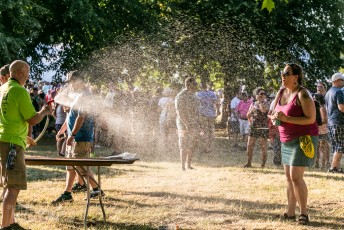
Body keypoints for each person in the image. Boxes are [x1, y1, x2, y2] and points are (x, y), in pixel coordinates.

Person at [0, 60, 52, 229]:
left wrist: (25, 136)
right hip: (13, 144)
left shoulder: (2, 89)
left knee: (8, 183)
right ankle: (5, 226)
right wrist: (44, 112)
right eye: (27, 74)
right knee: (14, 186)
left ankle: (11, 222)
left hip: (4, 140)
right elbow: (32, 118)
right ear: (20, 73)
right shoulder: (19, 91)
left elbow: (10, 117)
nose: (28, 77)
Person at [269, 63, 318, 225]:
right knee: (288, 178)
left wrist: (287, 119)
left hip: (303, 138)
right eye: (282, 73)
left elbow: (311, 119)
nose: (283, 76)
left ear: (296, 76)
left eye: (286, 73)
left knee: (296, 177)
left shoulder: (303, 94)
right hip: (286, 138)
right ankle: (290, 213)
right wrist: (273, 117)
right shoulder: (281, 91)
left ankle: (303, 213)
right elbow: (273, 111)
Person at [52, 71, 104, 204]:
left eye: (71, 81)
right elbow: (71, 117)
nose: (69, 85)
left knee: (81, 166)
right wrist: (62, 131)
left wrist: (73, 134)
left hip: (81, 137)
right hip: (73, 137)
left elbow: (81, 117)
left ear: (78, 81)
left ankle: (97, 189)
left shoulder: (85, 96)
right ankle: (67, 193)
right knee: (70, 166)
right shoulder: (77, 95)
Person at [175, 77, 202, 170]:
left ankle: (189, 165)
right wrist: (186, 124)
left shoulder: (195, 96)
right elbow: (179, 111)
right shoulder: (181, 95)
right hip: (183, 123)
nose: (196, 85)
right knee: (183, 144)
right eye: (194, 83)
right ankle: (182, 166)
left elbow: (197, 111)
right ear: (189, 84)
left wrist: (199, 123)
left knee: (192, 143)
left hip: (194, 122)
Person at [244, 88, 270, 167]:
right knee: (249, 146)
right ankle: (249, 163)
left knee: (263, 147)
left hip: (263, 127)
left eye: (263, 94)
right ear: (256, 95)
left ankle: (263, 165)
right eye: (260, 93)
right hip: (254, 126)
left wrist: (260, 102)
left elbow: (264, 111)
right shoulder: (253, 103)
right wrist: (251, 111)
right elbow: (247, 115)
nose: (261, 95)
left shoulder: (267, 103)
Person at [325, 73, 344, 173]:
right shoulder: (339, 92)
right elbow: (341, 107)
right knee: (340, 145)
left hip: (331, 122)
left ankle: (336, 167)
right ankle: (334, 168)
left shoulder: (328, 92)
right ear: (337, 81)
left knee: (336, 145)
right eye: (342, 80)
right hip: (339, 122)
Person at [197, 82, 218, 153]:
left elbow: (196, 105)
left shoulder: (198, 94)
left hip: (203, 114)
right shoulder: (212, 94)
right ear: (207, 86)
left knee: (204, 131)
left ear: (200, 87)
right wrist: (217, 112)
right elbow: (216, 103)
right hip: (211, 114)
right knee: (211, 130)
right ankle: (209, 146)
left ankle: (206, 147)